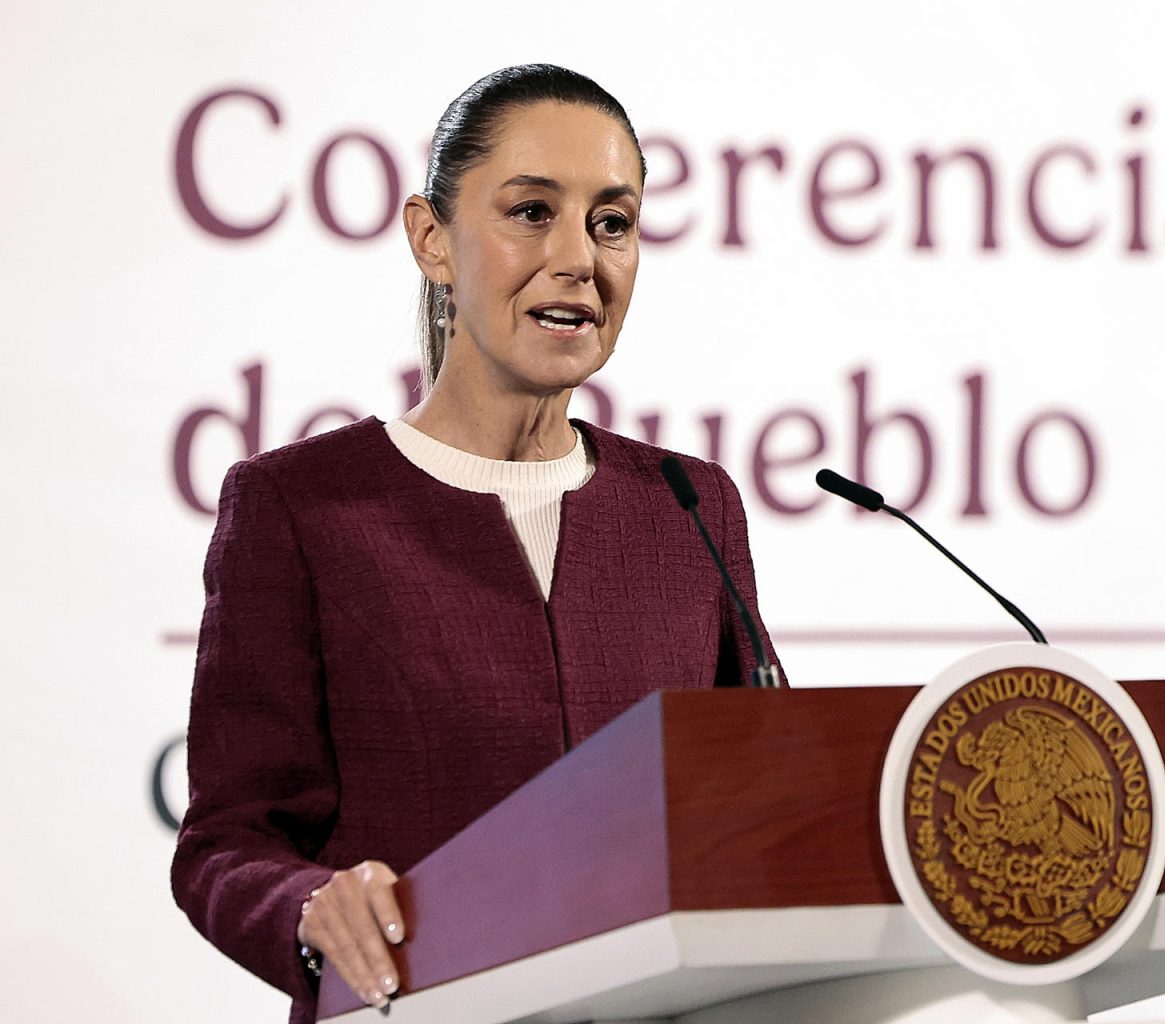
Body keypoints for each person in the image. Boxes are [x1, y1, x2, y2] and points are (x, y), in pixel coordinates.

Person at [170, 64, 783, 1024]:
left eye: (612, 222)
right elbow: (227, 840)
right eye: (532, 212)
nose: (580, 257)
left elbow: (762, 811)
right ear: (432, 240)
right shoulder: (299, 507)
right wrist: (307, 906)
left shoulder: (688, 507)